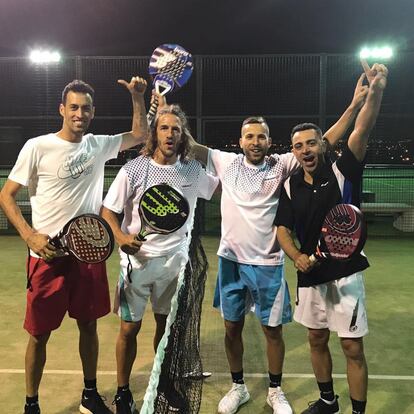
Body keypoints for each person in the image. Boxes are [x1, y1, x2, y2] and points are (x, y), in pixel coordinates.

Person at [187, 73, 369, 414]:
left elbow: (324, 141)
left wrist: (355, 103)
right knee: (231, 328)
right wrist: (163, 113)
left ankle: (274, 390)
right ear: (240, 141)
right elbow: (192, 146)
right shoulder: (225, 163)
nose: (255, 142)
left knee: (273, 332)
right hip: (230, 262)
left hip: (269, 264)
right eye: (249, 137)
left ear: (270, 142)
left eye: (262, 137)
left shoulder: (283, 163)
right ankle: (238, 387)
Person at [0, 76, 149, 414]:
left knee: (89, 325)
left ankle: (89, 394)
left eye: (85, 108)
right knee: (38, 334)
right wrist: (29, 235)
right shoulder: (38, 147)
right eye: (74, 107)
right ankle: (31, 404)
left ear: (93, 113)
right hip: (47, 255)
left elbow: (140, 135)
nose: (79, 113)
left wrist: (138, 98)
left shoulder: (98, 145)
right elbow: (6, 195)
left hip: (88, 254)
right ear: (62, 110)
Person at [275, 62, 388, 414]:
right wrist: (295, 256)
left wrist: (376, 92)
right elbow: (282, 229)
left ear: (322, 146)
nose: (305, 150)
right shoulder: (291, 185)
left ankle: (357, 411)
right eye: (298, 146)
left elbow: (361, 132)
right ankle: (328, 401)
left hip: (346, 274)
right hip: (309, 276)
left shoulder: (342, 170)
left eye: (311, 143)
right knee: (315, 338)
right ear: (293, 151)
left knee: (353, 348)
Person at [101, 104, 218, 414]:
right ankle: (123, 391)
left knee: (167, 328)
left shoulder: (193, 170)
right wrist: (122, 237)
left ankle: (164, 381)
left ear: (183, 135)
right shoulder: (134, 169)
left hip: (175, 264)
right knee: (129, 329)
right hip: (136, 264)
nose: (170, 133)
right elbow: (108, 211)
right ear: (154, 133)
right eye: (164, 128)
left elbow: (222, 190)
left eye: (176, 129)